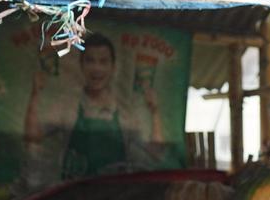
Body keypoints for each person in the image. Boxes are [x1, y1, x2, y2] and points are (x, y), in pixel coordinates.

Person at [24, 33, 165, 179]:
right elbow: (32, 136)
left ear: (113, 67)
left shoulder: (125, 112)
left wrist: (155, 112)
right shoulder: (68, 105)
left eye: (103, 62)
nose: (97, 69)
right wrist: (35, 95)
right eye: (90, 61)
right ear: (81, 64)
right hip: (73, 196)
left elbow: (155, 154)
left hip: (116, 197)